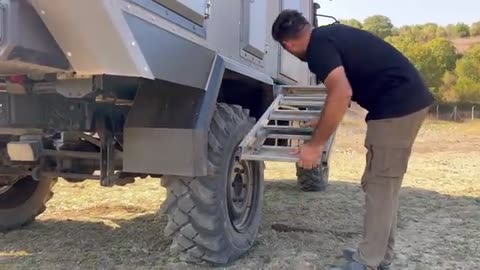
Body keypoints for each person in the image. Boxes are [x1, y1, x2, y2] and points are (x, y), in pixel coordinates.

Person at [271, 10, 434, 270]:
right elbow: (345, 91)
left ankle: (367, 260)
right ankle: (380, 255)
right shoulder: (330, 36)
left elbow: (340, 92)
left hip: (398, 106)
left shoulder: (317, 49)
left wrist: (314, 145)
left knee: (380, 185)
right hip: (404, 102)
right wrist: (321, 122)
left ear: (287, 45)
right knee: (383, 184)